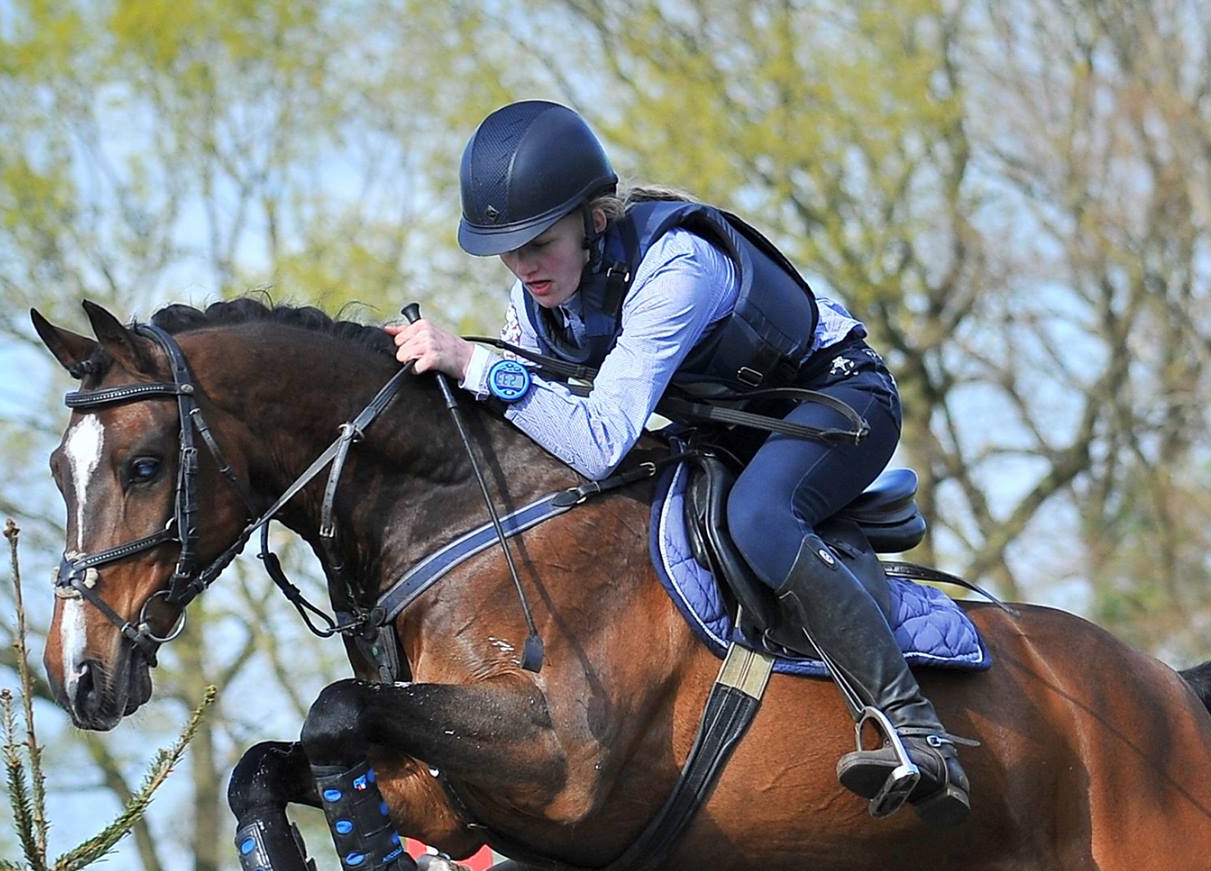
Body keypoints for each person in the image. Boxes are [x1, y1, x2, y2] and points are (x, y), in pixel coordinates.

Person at [387, 100, 970, 827]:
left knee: (756, 517)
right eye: (508, 250)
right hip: (727, 429)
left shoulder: (677, 266)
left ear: (593, 219)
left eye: (540, 242)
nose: (524, 265)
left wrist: (474, 362)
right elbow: (533, 420)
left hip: (838, 400)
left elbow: (599, 438)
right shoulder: (536, 302)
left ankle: (916, 730)